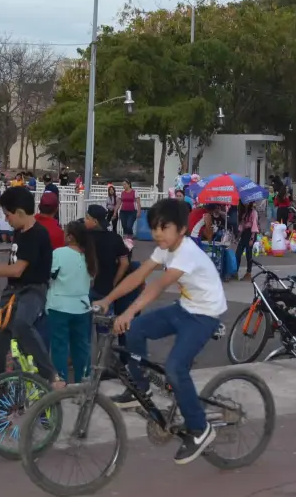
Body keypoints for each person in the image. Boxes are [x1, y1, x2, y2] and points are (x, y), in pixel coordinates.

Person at [94, 198, 226, 464]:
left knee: (176, 368)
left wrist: (128, 312)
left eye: (164, 227)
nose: (157, 233)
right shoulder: (165, 249)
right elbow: (138, 277)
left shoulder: (186, 251)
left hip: (205, 315)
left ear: (182, 229)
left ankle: (201, 429)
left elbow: (157, 286)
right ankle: (140, 388)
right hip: (185, 308)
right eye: (154, 227)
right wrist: (107, 300)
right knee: (136, 331)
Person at [0, 186, 62, 388]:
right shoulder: (19, 232)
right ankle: (1, 410)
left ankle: (51, 374)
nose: (7, 219)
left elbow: (17, 270)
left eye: (8, 214)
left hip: (33, 291)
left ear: (20, 212)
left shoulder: (37, 234)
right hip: (12, 293)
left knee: (22, 324)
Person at [47, 220, 97, 383]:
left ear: (69, 237)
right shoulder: (88, 256)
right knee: (81, 347)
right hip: (82, 307)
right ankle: (83, 382)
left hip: (58, 306)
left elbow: (50, 275)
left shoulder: (59, 253)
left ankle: (60, 383)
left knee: (59, 348)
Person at [84, 205, 130, 301]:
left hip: (84, 288)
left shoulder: (84, 238)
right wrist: (113, 283)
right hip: (106, 289)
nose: (84, 220)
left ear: (95, 222)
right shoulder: (115, 238)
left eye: (87, 218)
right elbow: (125, 263)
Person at [235, 202, 258, 281]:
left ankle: (248, 273)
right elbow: (241, 226)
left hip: (251, 233)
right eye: (244, 202)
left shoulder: (253, 212)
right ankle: (235, 271)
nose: (246, 204)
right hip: (244, 233)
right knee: (238, 253)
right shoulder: (243, 212)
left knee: (249, 253)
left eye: (248, 202)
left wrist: (252, 238)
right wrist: (238, 235)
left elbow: (254, 224)